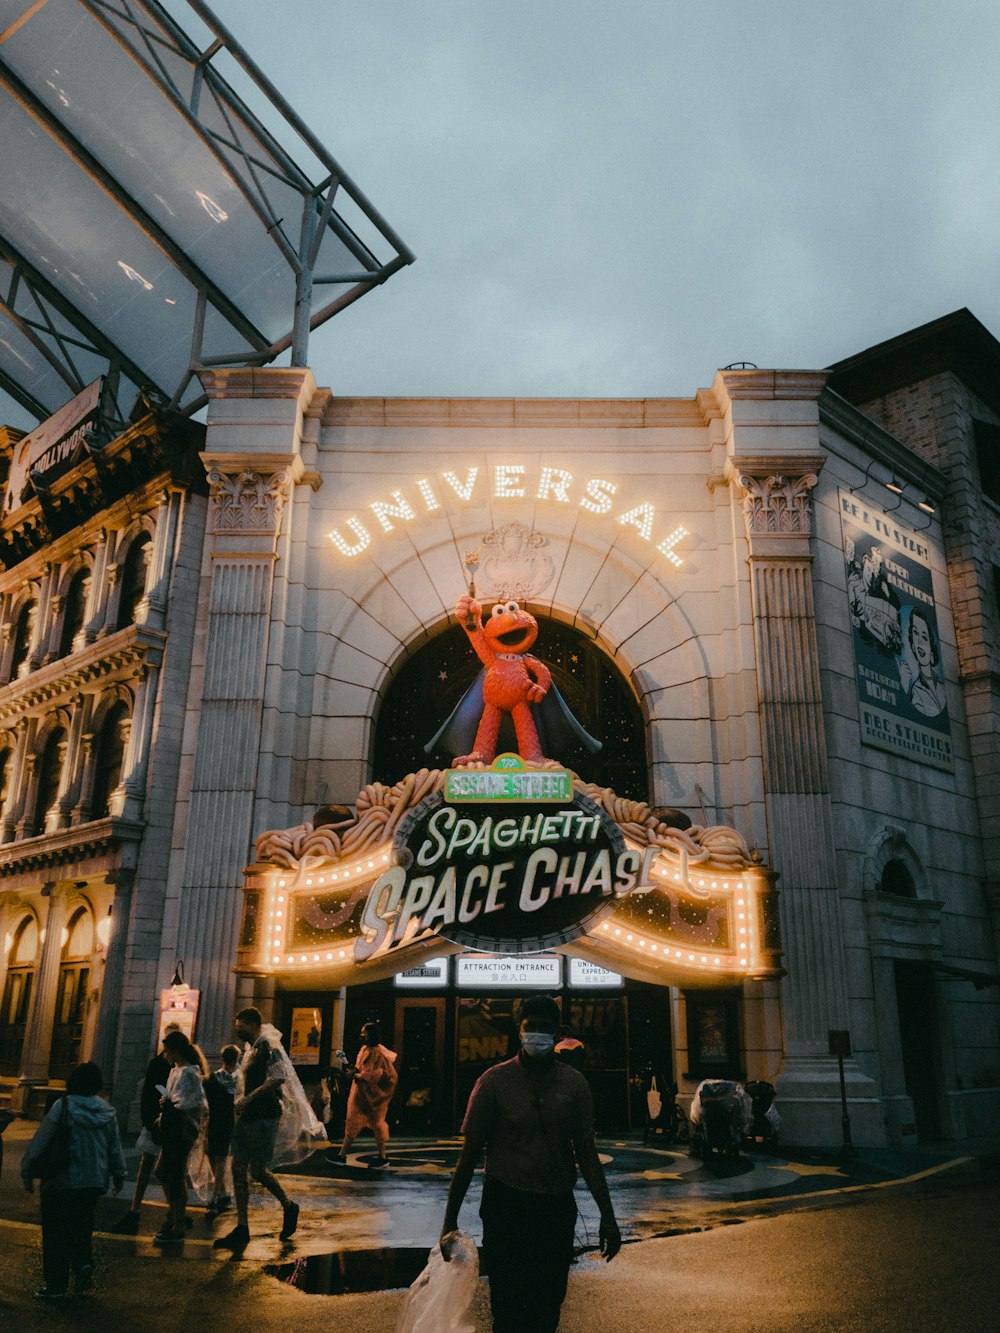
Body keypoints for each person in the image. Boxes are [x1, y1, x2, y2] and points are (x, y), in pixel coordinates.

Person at [441, 994, 621, 1333]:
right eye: (530, 1026)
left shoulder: (575, 1084)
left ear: (557, 1033)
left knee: (549, 1300)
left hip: (555, 1207)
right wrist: (448, 1221)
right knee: (507, 1302)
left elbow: (587, 1154)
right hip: (505, 1204)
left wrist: (607, 1217)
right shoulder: (493, 1082)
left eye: (544, 1027)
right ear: (519, 1030)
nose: (536, 1033)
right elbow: (468, 1157)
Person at [21, 1061, 126, 1300]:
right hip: (92, 1183)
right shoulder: (106, 1111)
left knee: (55, 1231)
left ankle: (56, 1285)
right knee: (82, 1226)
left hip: (62, 1181)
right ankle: (83, 1264)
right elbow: (114, 1147)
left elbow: (41, 1141)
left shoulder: (63, 1106)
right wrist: (119, 1174)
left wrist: (27, 1169)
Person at [213, 1007, 301, 1250]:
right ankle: (284, 1207)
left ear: (251, 1024)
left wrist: (249, 1098)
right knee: (253, 1170)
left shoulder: (268, 1046)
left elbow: (279, 1077)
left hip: (263, 1116)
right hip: (251, 1116)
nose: (236, 1028)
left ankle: (245, 1227)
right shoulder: (252, 1049)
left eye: (239, 1024)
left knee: (243, 1167)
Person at [110, 1024, 178, 1234]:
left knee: (163, 1171)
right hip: (157, 1124)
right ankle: (139, 1210)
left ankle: (172, 1211)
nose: (165, 1051)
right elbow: (150, 1094)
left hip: (169, 1125)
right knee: (152, 1168)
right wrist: (150, 1122)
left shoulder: (179, 1068)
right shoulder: (160, 1064)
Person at [152, 1030, 207, 1244]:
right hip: (172, 1127)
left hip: (181, 1129)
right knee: (165, 1172)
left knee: (173, 1174)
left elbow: (194, 1102)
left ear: (176, 1051)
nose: (164, 1055)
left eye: (167, 1051)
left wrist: (172, 1104)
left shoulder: (188, 1073)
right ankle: (176, 1214)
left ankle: (177, 1222)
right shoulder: (176, 1071)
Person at [335, 1020, 398, 1167]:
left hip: (368, 1093)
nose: (362, 1036)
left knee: (361, 1122)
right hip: (365, 1093)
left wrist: (355, 1076)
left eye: (365, 1033)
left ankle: (344, 1155)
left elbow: (374, 1074)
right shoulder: (366, 1050)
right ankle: (345, 1154)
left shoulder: (374, 1052)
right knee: (363, 1122)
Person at [204, 1044, 240, 1214]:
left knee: (214, 1156)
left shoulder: (212, 1078)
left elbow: (205, 1101)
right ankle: (221, 1192)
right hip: (228, 1121)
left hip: (214, 1120)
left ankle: (217, 1194)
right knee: (220, 1158)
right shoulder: (239, 1079)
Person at [905, 608, 947, 718]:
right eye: (915, 633)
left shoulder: (942, 688)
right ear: (913, 646)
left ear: (931, 650)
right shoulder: (916, 691)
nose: (919, 642)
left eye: (924, 637)